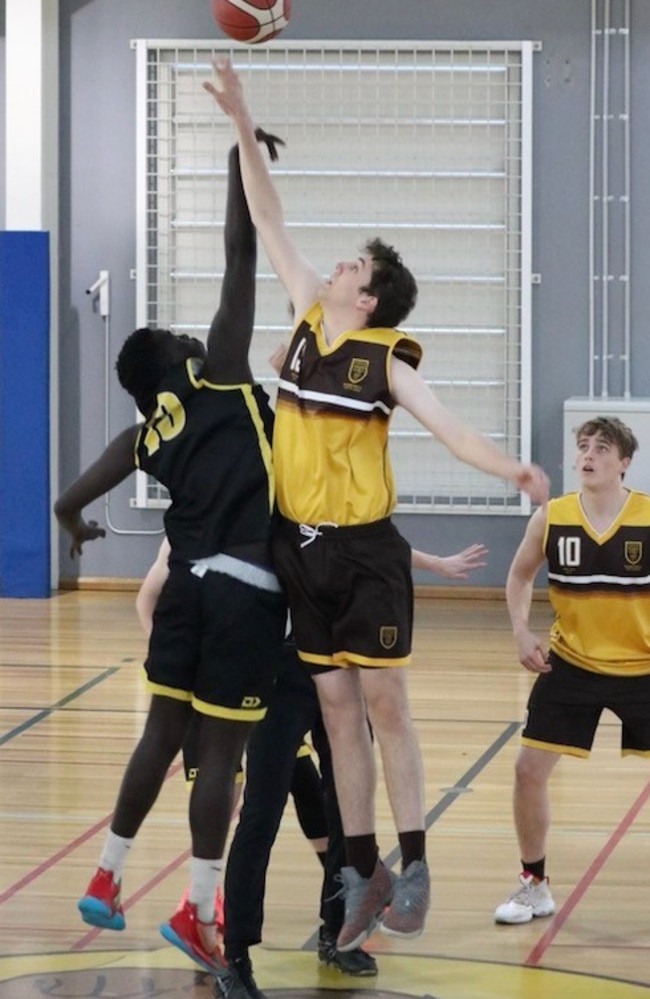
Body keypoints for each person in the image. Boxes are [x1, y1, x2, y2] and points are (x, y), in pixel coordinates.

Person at [204, 55, 550, 952]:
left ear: (368, 296)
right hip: (301, 550)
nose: (337, 261)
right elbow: (268, 212)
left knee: (385, 705)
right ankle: (361, 872)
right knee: (335, 710)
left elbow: (448, 430)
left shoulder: (384, 357)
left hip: (364, 551)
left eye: (353, 263)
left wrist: (511, 468)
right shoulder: (307, 316)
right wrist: (242, 123)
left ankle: (416, 859)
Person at [54, 130, 288, 983]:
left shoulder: (146, 430)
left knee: (160, 733)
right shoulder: (220, 374)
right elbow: (240, 253)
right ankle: (196, 907)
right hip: (243, 588)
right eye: (187, 338)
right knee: (221, 754)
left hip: (183, 588)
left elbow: (67, 498)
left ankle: (107, 873)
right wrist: (239, 164)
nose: (200, 337)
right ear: (183, 361)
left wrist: (75, 529)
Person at [140, 538, 488, 997]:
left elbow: (372, 538)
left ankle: (338, 932)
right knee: (259, 815)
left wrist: (434, 562)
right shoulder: (232, 516)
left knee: (349, 807)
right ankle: (236, 956)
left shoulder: (316, 502)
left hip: (331, 664)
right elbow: (153, 593)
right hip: (273, 677)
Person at [494, 415, 650, 924]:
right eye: (583, 446)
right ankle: (533, 884)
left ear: (624, 463)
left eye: (602, 448)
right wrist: (521, 630)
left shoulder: (647, 518)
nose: (588, 455)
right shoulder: (552, 516)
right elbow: (518, 576)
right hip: (572, 663)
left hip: (643, 667)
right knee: (527, 771)